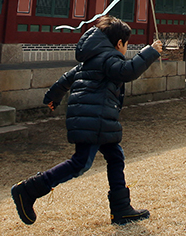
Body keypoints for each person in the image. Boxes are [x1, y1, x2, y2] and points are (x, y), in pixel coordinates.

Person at [11, 16, 162, 226]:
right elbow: (128, 71)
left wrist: (52, 97)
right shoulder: (110, 59)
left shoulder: (92, 59)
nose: (126, 50)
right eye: (126, 45)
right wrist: (151, 51)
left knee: (115, 156)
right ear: (119, 43)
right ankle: (28, 190)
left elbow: (66, 79)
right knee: (81, 163)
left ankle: (121, 209)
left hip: (94, 118)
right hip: (93, 120)